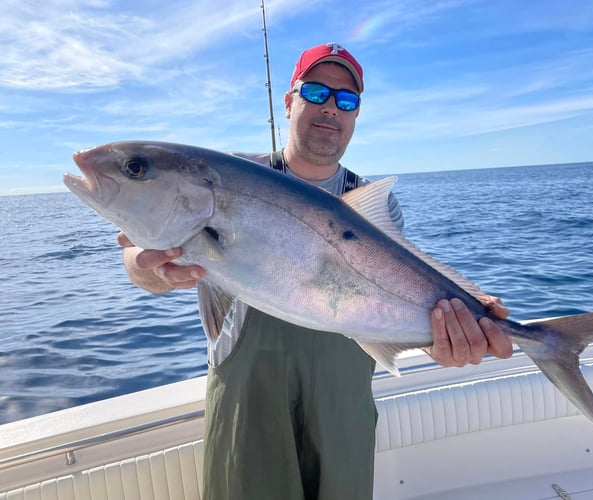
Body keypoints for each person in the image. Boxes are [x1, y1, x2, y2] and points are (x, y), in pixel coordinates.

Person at [118, 43, 513, 500]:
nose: (331, 108)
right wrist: (151, 271)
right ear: (289, 102)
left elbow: (397, 304)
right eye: (317, 91)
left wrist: (447, 338)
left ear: (356, 115)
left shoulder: (372, 203)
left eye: (347, 100)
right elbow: (137, 258)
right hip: (248, 400)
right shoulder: (224, 178)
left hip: (342, 404)